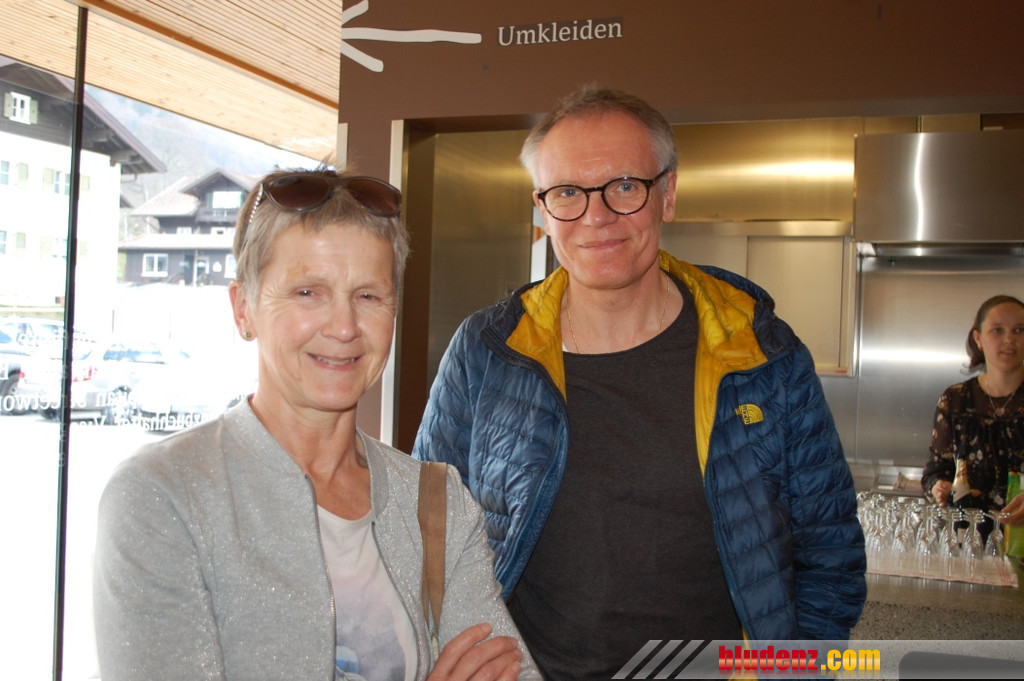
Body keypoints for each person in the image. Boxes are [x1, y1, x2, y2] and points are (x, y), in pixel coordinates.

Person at [412, 85, 866, 679]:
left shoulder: (762, 353)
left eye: (625, 186)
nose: (596, 216)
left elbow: (828, 549)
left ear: (667, 194)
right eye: (567, 192)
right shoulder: (486, 350)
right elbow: (428, 533)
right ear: (541, 209)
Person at [93, 167, 539, 681]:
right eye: (308, 292)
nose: (344, 327)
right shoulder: (164, 496)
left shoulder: (435, 502)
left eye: (368, 296)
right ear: (244, 309)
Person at [922, 295, 1024, 535]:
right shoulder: (956, 400)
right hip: (968, 542)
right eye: (997, 330)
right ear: (978, 338)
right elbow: (936, 472)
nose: (1009, 339)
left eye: (1019, 330)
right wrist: (939, 487)